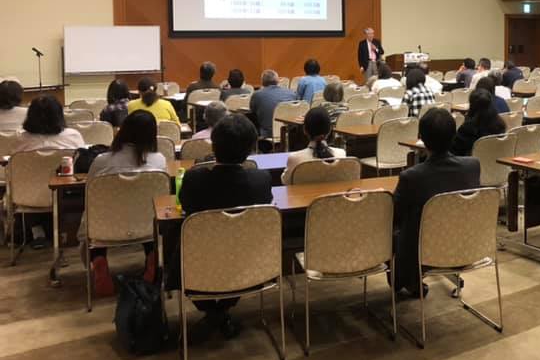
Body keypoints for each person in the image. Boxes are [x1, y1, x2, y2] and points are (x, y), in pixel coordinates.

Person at [178, 115, 273, 338]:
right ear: (251, 149)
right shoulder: (261, 179)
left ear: (213, 145)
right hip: (252, 261)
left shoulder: (194, 179)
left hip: (197, 264)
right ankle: (221, 313)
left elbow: (186, 205)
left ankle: (214, 314)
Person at [393, 109, 481, 297]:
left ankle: (406, 281)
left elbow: (393, 215)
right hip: (467, 245)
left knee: (393, 230)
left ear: (421, 138)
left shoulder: (412, 177)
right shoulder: (473, 166)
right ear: (454, 135)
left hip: (423, 252)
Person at [85, 110, 167, 295]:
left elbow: (89, 193)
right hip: (147, 225)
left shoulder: (101, 161)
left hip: (104, 226)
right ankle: (152, 255)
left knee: (93, 213)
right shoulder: (159, 160)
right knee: (149, 212)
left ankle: (98, 259)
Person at [281, 107, 346, 185]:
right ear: (330, 130)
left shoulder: (294, 158)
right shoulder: (341, 154)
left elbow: (286, 181)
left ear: (305, 130)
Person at [11, 96, 84, 153]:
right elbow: (83, 159)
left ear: (30, 116)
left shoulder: (21, 139)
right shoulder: (73, 135)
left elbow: (12, 162)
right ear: (59, 114)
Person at [451, 89, 505, 156]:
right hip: (494, 161)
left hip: (471, 162)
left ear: (472, 105)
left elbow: (454, 150)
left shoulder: (468, 128)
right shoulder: (500, 125)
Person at [249, 69, 296, 140]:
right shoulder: (292, 93)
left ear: (262, 82)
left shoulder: (257, 95)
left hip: (268, 134)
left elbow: (252, 110)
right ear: (277, 81)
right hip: (290, 133)